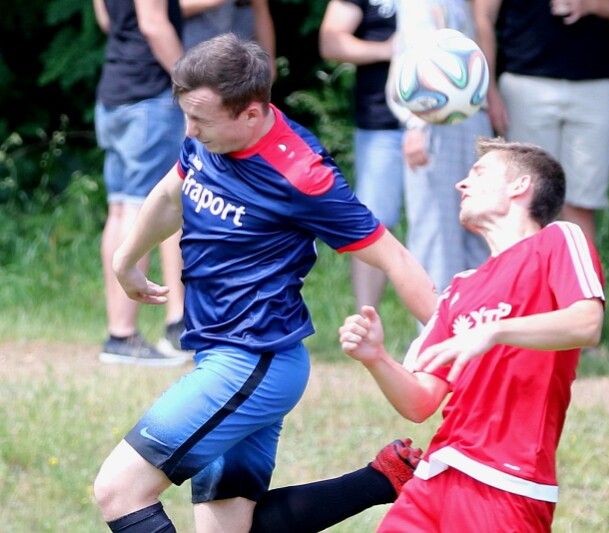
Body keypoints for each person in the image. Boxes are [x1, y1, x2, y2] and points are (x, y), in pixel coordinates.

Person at [92, 33, 438, 533]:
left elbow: (395, 258)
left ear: (251, 113)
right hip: (222, 352)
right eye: (186, 115)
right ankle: (382, 478)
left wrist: (457, 342)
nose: (189, 130)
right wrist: (126, 260)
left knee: (119, 490)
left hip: (253, 360)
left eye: (200, 119)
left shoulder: (303, 176)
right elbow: (172, 193)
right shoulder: (208, 137)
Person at [339, 137, 606, 531]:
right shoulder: (461, 288)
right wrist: (376, 358)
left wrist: (495, 331)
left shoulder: (558, 239)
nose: (461, 183)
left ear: (520, 186)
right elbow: (420, 403)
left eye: (479, 173)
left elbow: (587, 324)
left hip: (507, 483)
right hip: (435, 476)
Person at [472, 0, 609, 243]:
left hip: (594, 85)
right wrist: (489, 90)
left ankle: (576, 268)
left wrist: (589, 5)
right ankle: (528, 269)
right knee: (525, 203)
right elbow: (482, 16)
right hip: (525, 83)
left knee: (582, 206)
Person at [92, 0, 190, 365]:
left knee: (120, 209)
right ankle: (123, 335)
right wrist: (191, 84)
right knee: (142, 206)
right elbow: (152, 23)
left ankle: (119, 332)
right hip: (148, 97)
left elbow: (106, 20)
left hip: (114, 92)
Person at [387, 0, 492, 294]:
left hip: (469, 119)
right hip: (435, 123)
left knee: (480, 228)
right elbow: (416, 67)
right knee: (437, 239)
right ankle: (437, 321)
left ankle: (480, 316)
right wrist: (416, 124)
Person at [319, 0, 405, 312]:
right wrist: (388, 49)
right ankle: (366, 321)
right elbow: (331, 41)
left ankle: (446, 325)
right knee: (373, 227)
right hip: (381, 123)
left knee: (441, 228)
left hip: (442, 124)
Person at [181, 0, 276, 66]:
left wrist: (269, 60)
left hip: (239, 62)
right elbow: (172, 11)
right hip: (191, 60)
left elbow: (260, 8)